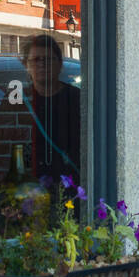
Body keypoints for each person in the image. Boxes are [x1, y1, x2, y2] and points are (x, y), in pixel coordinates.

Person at [21, 35, 80, 186]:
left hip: (70, 185)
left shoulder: (76, 99)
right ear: (26, 65)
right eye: (36, 60)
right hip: (30, 188)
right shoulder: (17, 101)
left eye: (48, 59)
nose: (42, 65)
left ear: (59, 64)